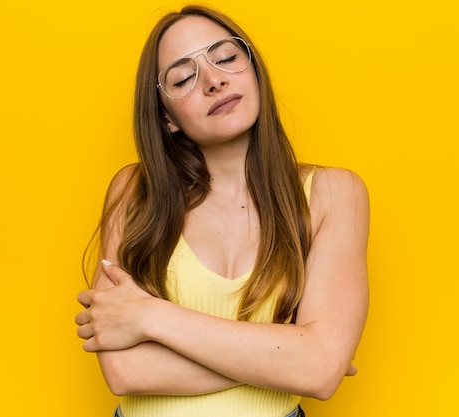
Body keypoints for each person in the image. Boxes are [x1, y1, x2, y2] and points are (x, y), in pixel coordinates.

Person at [75, 5, 369, 417]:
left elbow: (319, 372)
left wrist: (150, 317)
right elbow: (124, 370)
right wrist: (290, 357)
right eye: (183, 78)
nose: (214, 80)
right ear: (167, 118)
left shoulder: (333, 193)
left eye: (227, 57)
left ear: (254, 71)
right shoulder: (134, 190)